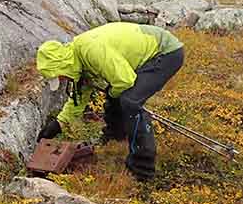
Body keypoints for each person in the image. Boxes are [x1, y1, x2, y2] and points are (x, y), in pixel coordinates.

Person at [35, 22, 185, 180]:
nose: (62, 80)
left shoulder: (91, 50)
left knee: (130, 101)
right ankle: (116, 138)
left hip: (165, 52)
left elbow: (125, 80)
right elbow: (79, 100)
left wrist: (112, 92)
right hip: (148, 56)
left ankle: (143, 168)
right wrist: (58, 124)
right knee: (116, 93)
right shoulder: (77, 62)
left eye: (60, 76)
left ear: (63, 65)